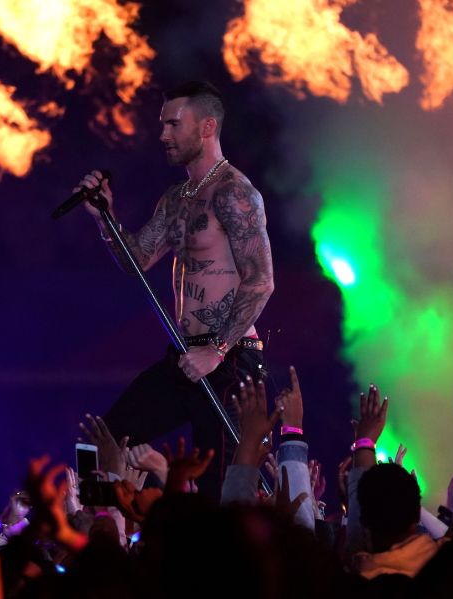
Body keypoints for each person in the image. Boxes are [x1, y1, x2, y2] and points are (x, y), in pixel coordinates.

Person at [74, 80, 275, 500]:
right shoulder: (177, 199)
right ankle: (113, 539)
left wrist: (216, 350)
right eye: (162, 125)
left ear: (206, 127)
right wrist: (104, 218)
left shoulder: (235, 193)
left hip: (230, 360)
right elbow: (136, 261)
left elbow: (261, 281)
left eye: (172, 124)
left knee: (218, 491)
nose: (163, 135)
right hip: (185, 357)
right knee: (103, 445)